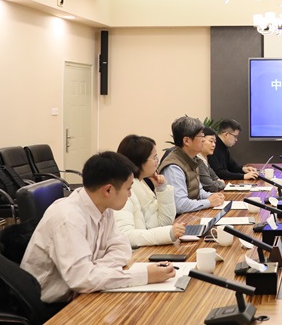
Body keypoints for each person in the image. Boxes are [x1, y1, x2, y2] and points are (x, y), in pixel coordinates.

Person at [20, 152, 176, 303]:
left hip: (83, 292)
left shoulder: (103, 207)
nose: (130, 195)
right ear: (108, 190)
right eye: (128, 189)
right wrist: (144, 275)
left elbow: (122, 249)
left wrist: (93, 270)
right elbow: (82, 279)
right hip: (50, 306)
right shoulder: (68, 218)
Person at [114, 135, 185, 247]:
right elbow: (125, 236)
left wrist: (162, 189)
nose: (157, 161)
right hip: (135, 254)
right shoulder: (122, 190)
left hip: (147, 248)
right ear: (139, 161)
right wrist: (168, 233)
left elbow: (164, 223)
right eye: (154, 157)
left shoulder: (142, 184)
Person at [159, 116, 225, 214]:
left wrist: (212, 196)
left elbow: (199, 191)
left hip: (192, 215)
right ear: (186, 141)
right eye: (201, 136)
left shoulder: (192, 159)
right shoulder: (173, 167)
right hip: (181, 220)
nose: (203, 140)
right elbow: (180, 205)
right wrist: (208, 202)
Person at [197, 127, 226, 192]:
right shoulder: (197, 161)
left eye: (214, 142)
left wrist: (219, 182)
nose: (213, 145)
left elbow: (215, 178)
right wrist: (221, 183)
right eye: (211, 141)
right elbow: (212, 186)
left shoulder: (204, 159)